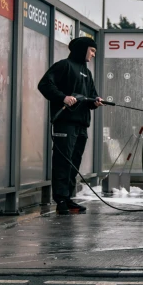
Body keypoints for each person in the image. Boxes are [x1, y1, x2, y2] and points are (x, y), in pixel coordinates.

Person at [38, 37, 103, 215]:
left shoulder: (86, 72)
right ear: (82, 49)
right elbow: (44, 84)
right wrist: (63, 97)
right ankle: (60, 200)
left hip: (81, 124)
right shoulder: (63, 66)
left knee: (74, 162)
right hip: (64, 124)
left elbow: (91, 95)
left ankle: (68, 197)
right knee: (63, 161)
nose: (93, 54)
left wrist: (96, 101)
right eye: (92, 51)